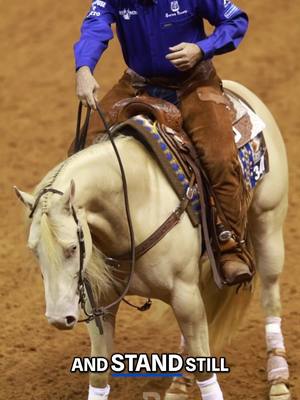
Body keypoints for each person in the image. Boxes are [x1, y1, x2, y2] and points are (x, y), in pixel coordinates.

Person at [74, 0, 253, 285]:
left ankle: (230, 245)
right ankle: (82, 243)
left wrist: (202, 49)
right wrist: (84, 68)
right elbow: (95, 26)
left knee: (219, 157)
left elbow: (236, 21)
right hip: (139, 83)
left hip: (194, 83)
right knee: (83, 150)